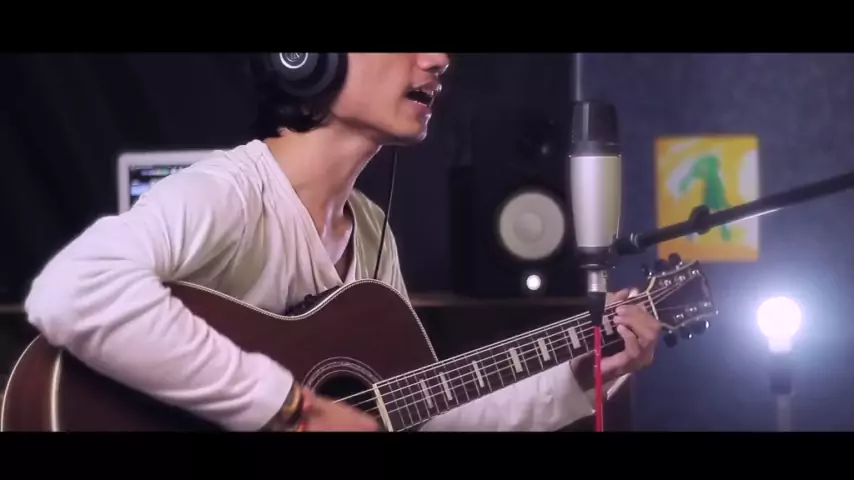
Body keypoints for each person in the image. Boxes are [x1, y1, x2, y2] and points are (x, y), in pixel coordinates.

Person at [24, 53, 661, 432]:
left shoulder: (372, 231)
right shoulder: (232, 192)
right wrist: (290, 409)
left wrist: (578, 376)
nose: (438, 59)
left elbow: (415, 412)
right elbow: (71, 291)